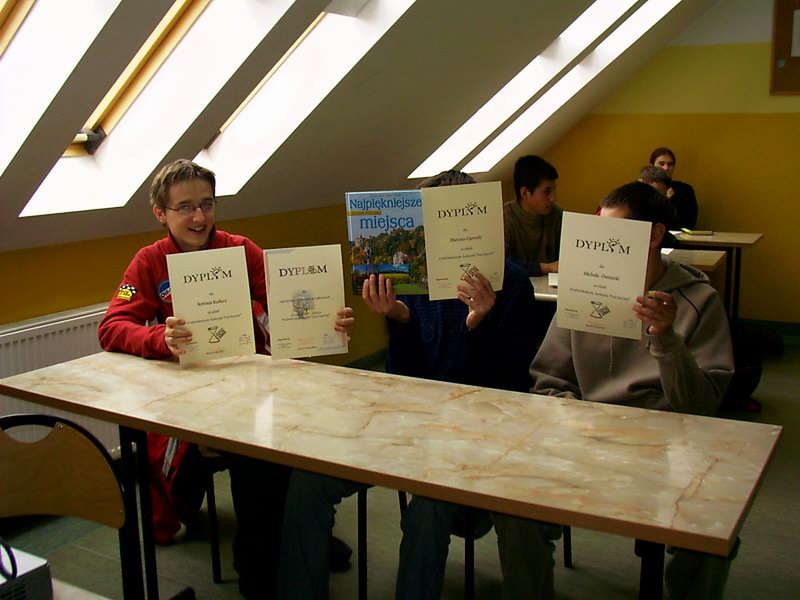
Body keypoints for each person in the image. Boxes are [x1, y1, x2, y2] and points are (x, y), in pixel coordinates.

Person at [275, 170, 542, 600]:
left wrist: (479, 325)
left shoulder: (511, 284)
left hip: (477, 432)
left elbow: (509, 389)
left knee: (429, 507)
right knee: (308, 478)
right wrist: (399, 320)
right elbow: (402, 379)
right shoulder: (412, 279)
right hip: (410, 422)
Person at [97, 158, 355, 599]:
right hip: (189, 399)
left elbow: (289, 302)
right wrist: (160, 338)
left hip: (251, 388)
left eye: (207, 204)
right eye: (185, 207)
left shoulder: (241, 250)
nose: (199, 216)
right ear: (160, 213)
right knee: (246, 460)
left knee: (274, 449)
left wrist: (325, 320)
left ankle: (283, 543)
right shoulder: (148, 262)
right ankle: (265, 553)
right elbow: (112, 326)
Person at [493, 181, 735, 600]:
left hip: (668, 446)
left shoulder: (700, 301)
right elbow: (548, 380)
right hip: (586, 436)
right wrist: (576, 422)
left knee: (715, 529)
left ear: (654, 235)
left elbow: (702, 405)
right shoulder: (585, 289)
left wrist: (666, 339)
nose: (605, 244)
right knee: (513, 508)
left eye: (616, 233)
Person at [503, 155, 562, 276]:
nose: (553, 198)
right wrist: (546, 268)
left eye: (553, 190)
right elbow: (500, 265)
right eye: (546, 191)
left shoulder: (557, 214)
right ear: (524, 193)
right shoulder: (503, 219)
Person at [650, 147, 698, 230]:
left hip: (676, 235)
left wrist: (673, 200)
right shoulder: (643, 189)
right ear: (651, 166)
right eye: (661, 164)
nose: (666, 168)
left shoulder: (685, 190)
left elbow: (689, 222)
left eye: (670, 164)